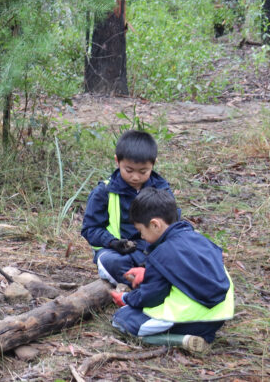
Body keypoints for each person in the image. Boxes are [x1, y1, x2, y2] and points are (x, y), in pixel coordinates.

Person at [110, 188, 234, 352]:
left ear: (155, 225)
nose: (141, 237)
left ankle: (180, 340)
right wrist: (148, 273)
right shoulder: (199, 239)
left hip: (188, 319)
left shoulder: (161, 253)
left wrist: (127, 298)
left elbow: (151, 297)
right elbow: (189, 272)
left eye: (141, 231)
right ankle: (199, 335)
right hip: (218, 317)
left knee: (121, 320)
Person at [81, 130, 172, 286]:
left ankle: (147, 281)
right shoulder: (104, 192)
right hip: (117, 252)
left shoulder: (162, 189)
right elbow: (90, 229)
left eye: (143, 171)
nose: (135, 177)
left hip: (153, 250)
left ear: (153, 164)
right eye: (128, 170)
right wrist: (113, 242)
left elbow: (172, 225)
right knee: (111, 261)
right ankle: (153, 283)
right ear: (117, 161)